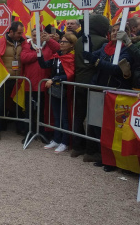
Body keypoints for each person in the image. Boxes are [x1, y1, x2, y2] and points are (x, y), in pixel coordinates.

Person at [82, 23, 132, 171]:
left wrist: (96, 61)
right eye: (114, 30)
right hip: (99, 89)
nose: (116, 33)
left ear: (126, 33)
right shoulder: (105, 47)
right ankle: (103, 156)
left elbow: (116, 70)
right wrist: (88, 46)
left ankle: (113, 160)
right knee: (97, 125)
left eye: (119, 31)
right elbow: (92, 56)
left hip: (115, 93)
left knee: (112, 128)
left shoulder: (126, 50)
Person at [72, 14, 110, 160]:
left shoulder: (80, 40)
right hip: (94, 84)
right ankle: (91, 151)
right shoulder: (103, 41)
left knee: (79, 116)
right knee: (94, 119)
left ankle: (77, 147)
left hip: (78, 82)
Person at [38, 33, 76, 153]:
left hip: (65, 91)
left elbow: (70, 74)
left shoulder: (71, 57)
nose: (61, 43)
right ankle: (56, 139)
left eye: (64, 42)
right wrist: (39, 53)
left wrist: (54, 79)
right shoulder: (56, 57)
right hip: (55, 91)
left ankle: (64, 142)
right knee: (56, 115)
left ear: (71, 45)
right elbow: (44, 65)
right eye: (61, 41)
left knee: (64, 117)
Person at [20, 28, 60, 143]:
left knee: (43, 110)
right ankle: (29, 131)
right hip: (30, 83)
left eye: (39, 35)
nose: (36, 37)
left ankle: (43, 132)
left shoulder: (49, 45)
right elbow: (24, 58)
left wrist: (49, 40)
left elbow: (59, 49)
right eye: (33, 35)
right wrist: (38, 53)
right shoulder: (27, 45)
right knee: (30, 111)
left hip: (44, 84)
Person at [0, 21, 26, 141]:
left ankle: (20, 128)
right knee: (0, 104)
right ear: (11, 31)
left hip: (19, 79)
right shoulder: (1, 41)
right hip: (4, 78)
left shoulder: (24, 42)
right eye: (18, 33)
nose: (21, 35)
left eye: (22, 33)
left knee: (17, 104)